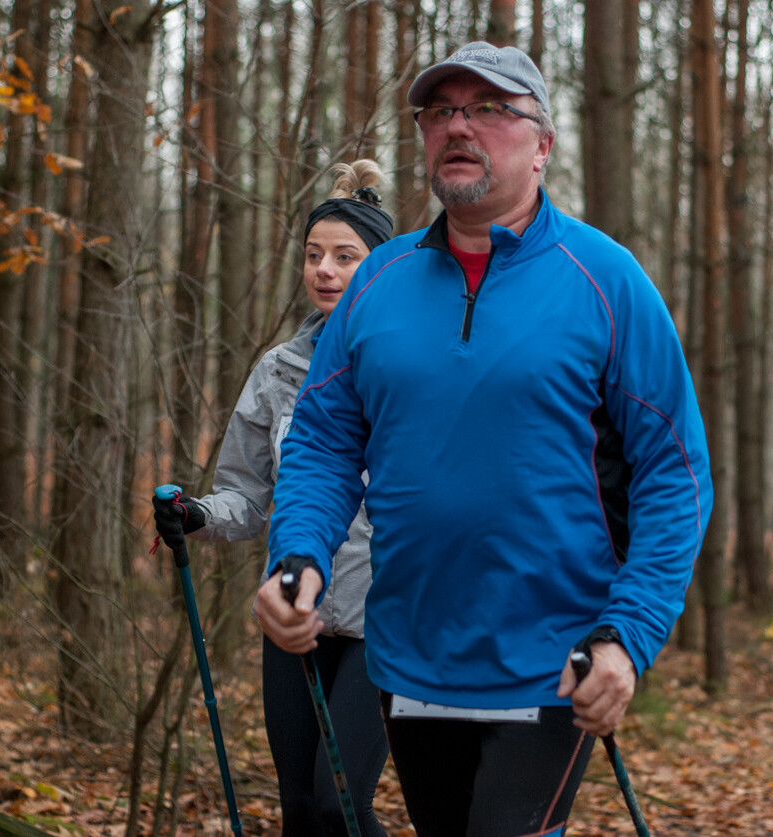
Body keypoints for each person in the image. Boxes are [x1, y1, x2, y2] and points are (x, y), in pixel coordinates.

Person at [254, 42, 713, 837]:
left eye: (490, 109)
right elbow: (324, 442)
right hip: (410, 657)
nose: (460, 126)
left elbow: (676, 476)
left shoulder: (606, 281)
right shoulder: (379, 282)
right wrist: (298, 555)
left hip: (553, 660)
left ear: (541, 145)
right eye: (441, 111)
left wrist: (626, 637)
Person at [154, 161, 394, 837]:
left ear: (379, 267)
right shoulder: (280, 369)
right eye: (314, 255)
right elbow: (248, 493)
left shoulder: (410, 366)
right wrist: (198, 513)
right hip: (293, 610)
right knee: (298, 811)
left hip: (383, 617)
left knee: (337, 803)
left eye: (345, 256)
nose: (325, 269)